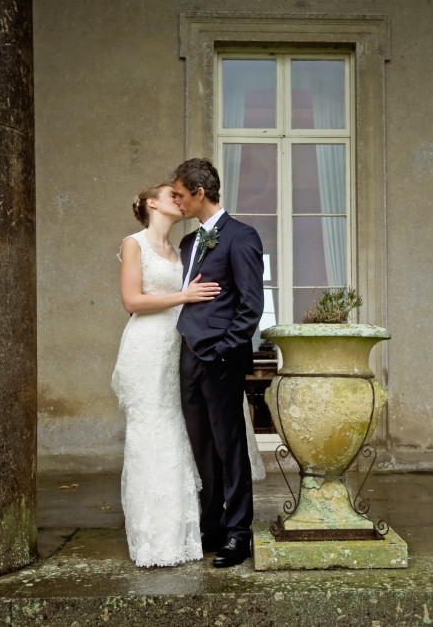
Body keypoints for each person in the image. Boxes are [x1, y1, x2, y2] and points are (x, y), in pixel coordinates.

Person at [111, 182, 221, 567]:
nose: (178, 198)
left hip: (176, 346)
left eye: (181, 195)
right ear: (150, 203)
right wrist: (183, 296)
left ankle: (181, 535)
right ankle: (151, 539)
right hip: (146, 346)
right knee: (151, 430)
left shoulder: (181, 250)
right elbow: (132, 301)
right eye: (169, 194)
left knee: (175, 432)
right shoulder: (133, 243)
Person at [173, 158, 265, 568]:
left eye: (179, 194)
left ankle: (238, 532)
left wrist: (223, 349)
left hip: (221, 358)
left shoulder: (242, 237)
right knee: (201, 445)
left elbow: (250, 307)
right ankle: (211, 524)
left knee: (230, 446)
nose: (176, 202)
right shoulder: (189, 244)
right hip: (188, 355)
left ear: (199, 193)